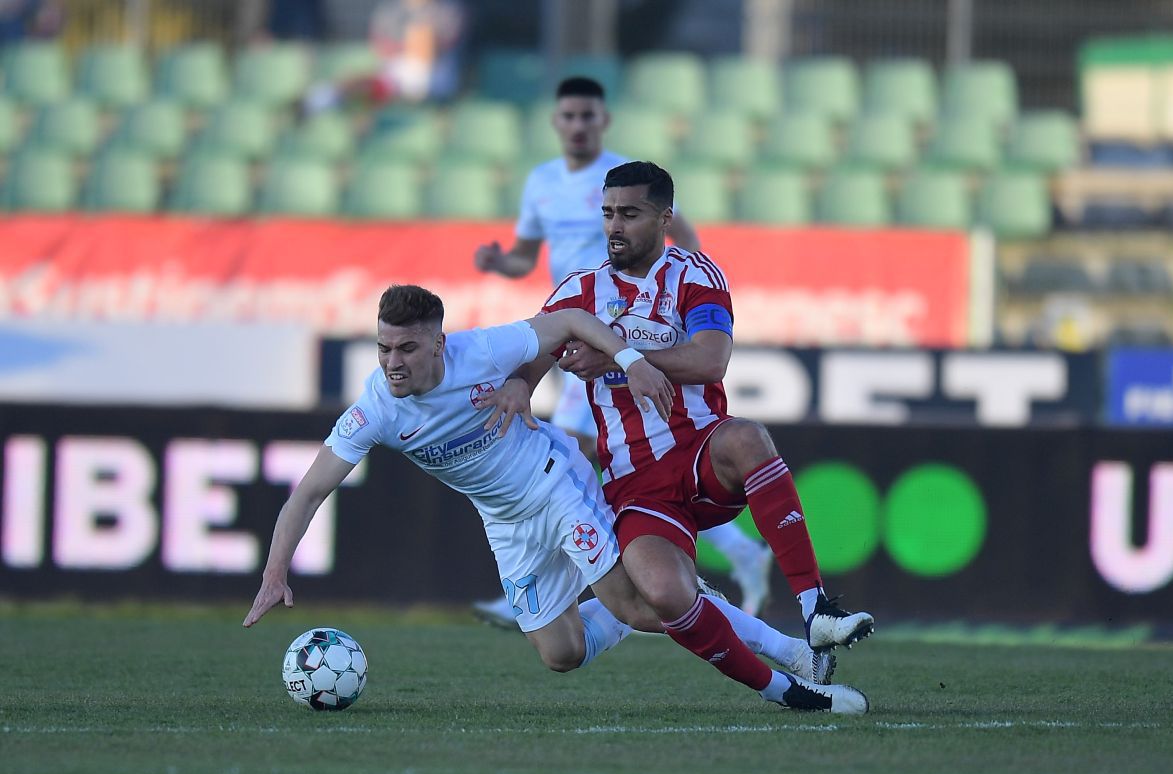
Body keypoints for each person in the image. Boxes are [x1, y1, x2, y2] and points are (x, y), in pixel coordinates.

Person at [243, 284, 866, 713]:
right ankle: (688, 595)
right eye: (383, 348)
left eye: (406, 348)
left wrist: (626, 359)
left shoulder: (481, 350)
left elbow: (568, 321)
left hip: (554, 479)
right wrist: (274, 575)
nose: (392, 362)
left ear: (438, 342)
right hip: (505, 521)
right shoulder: (376, 409)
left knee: (641, 608)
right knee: (562, 654)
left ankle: (791, 656)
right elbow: (309, 491)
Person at [487, 162, 875, 681]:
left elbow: (711, 360)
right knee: (665, 596)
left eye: (630, 213)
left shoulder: (695, 274)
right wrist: (517, 389)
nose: (615, 227)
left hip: (699, 453)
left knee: (747, 437)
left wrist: (619, 356)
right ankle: (792, 664)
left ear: (665, 217)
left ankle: (815, 608)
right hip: (635, 484)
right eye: (607, 214)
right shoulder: (577, 293)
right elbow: (528, 368)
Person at [471, 76, 773, 624]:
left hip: (623, 334)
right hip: (572, 328)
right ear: (556, 123)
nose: (579, 125)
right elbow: (525, 258)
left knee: (581, 456)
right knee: (595, 464)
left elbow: (683, 240)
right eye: (569, 116)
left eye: (589, 115)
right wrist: (501, 265)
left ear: (603, 120)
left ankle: (550, 585)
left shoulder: (627, 178)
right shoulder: (541, 183)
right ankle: (719, 560)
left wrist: (669, 307)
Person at [300, 0, 465, 115]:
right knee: (372, 82)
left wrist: (419, 40)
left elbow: (449, 41)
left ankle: (329, 97)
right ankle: (327, 97)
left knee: (419, 38)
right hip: (398, 70)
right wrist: (403, 47)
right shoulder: (393, 8)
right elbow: (379, 41)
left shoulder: (448, 9)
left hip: (436, 73)